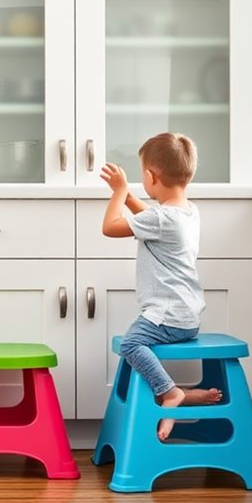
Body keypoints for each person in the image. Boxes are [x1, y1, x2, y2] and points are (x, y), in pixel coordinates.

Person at [99, 132, 221, 441]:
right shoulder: (187, 212)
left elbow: (109, 228)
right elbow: (150, 219)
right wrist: (127, 195)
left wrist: (118, 193)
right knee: (136, 346)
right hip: (187, 317)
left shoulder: (163, 218)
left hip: (165, 315)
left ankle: (169, 393)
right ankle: (183, 393)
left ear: (151, 176)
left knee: (131, 345)